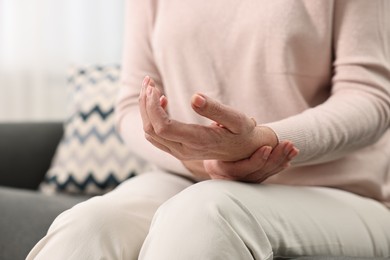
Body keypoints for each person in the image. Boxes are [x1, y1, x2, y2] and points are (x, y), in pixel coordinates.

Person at [27, 0, 390, 259]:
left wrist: (264, 142)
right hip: (188, 178)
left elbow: (370, 98)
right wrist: (198, 161)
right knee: (90, 225)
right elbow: (128, 105)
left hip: (335, 191)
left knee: (205, 213)